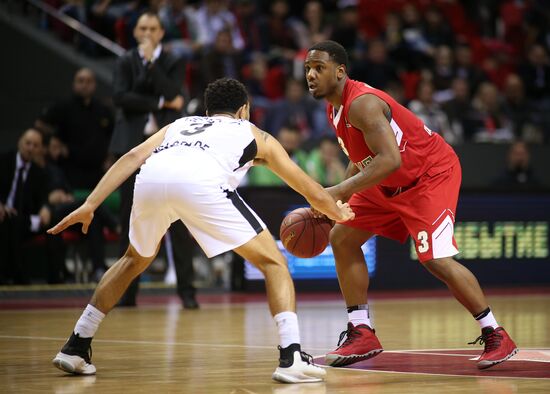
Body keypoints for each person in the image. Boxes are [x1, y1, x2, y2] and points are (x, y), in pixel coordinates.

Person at [48, 78, 355, 383]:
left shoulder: (180, 125)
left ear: (208, 111)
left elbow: (131, 158)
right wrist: (336, 211)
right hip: (201, 184)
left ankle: (76, 344)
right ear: (244, 109)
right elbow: (308, 189)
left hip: (151, 179)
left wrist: (90, 203)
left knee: (132, 260)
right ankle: (291, 356)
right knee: (274, 263)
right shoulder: (253, 132)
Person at [304, 40, 518, 370]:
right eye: (307, 69)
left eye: (319, 68)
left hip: (428, 176)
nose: (311, 75)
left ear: (340, 72)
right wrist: (339, 198)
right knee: (341, 238)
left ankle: (495, 334)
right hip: (386, 181)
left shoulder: (363, 104)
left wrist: (335, 190)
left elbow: (389, 159)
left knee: (434, 260)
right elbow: (362, 159)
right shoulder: (334, 108)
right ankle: (361, 330)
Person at [109, 10, 198, 308]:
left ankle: (188, 293)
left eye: (152, 29)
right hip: (131, 148)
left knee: (180, 220)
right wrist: (161, 102)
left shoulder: (173, 60)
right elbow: (120, 98)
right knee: (128, 221)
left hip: (169, 150)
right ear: (135, 32)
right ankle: (126, 294)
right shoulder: (123, 61)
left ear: (161, 33)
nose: (146, 33)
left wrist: (150, 64)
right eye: (142, 28)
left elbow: (176, 92)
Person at [0, 129, 50, 284]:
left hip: (23, 220)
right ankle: (13, 275)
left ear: (40, 149)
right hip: (3, 215)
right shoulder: (4, 161)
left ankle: (55, 277)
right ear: (20, 142)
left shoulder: (39, 173)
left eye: (35, 145)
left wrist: (45, 207)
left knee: (50, 225)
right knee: (8, 222)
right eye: (28, 143)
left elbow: (42, 199)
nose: (30, 148)